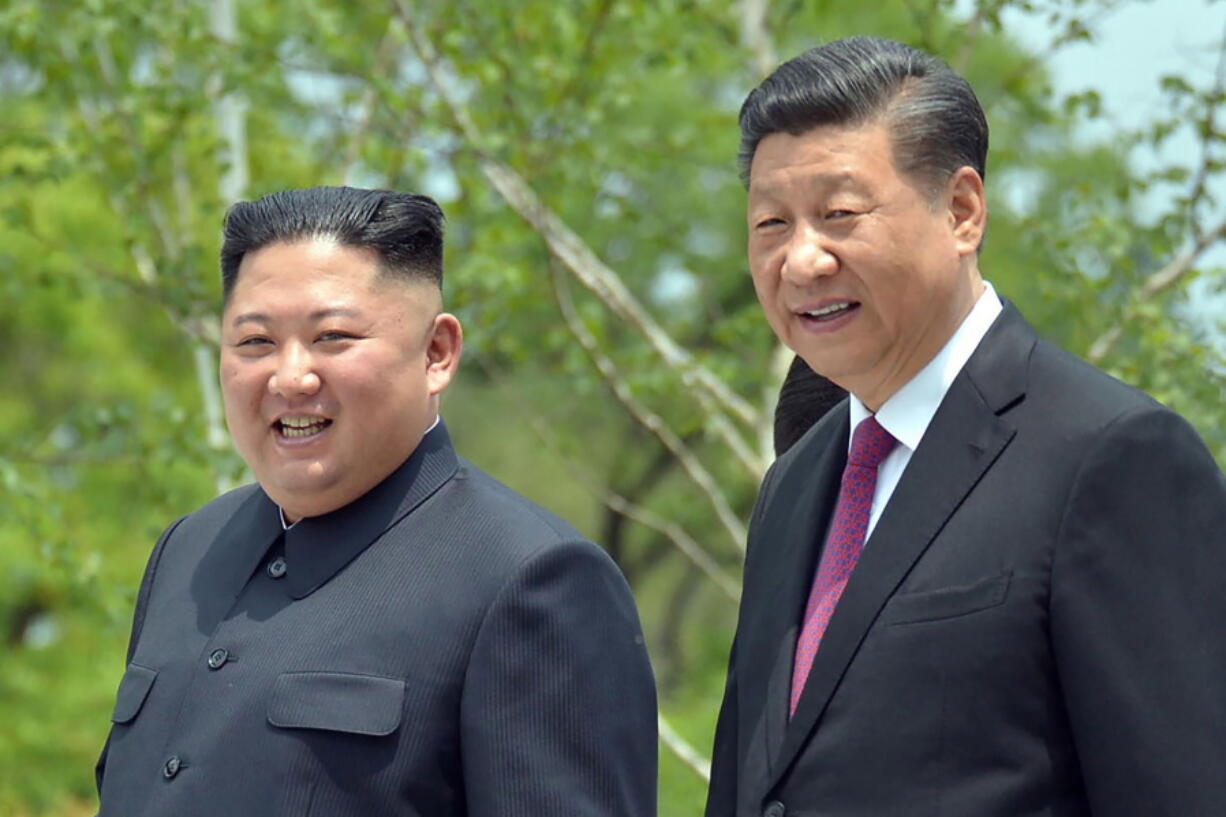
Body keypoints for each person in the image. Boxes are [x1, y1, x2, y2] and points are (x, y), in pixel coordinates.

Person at [706, 36, 1226, 817]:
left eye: (838, 215)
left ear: (962, 210)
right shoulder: (795, 483)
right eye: (771, 224)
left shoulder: (1110, 456)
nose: (801, 260)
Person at [94, 186, 657, 817]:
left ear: (436, 352)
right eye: (255, 342)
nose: (290, 377)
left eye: (332, 336)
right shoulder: (188, 552)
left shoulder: (530, 580)